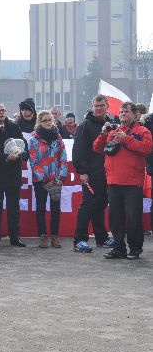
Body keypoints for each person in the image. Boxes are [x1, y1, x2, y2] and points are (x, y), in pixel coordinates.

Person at [92, 101, 152, 259]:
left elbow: (146, 149)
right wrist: (103, 134)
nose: (122, 114)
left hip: (132, 182)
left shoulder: (142, 130)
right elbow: (97, 148)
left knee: (133, 217)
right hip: (113, 182)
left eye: (126, 111)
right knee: (115, 218)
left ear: (134, 114)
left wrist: (126, 139)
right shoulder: (113, 131)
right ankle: (118, 248)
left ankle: (135, 249)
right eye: (120, 111)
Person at [72, 94, 115, 253]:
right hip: (91, 173)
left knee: (100, 206)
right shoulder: (85, 125)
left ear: (107, 107)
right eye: (95, 106)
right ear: (92, 107)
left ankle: (102, 237)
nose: (98, 108)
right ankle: (79, 240)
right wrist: (82, 171)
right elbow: (78, 150)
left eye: (101, 105)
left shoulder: (111, 125)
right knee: (88, 205)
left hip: (108, 173)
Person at [0, 103, 27, 247]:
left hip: (14, 174)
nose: (1, 113)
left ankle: (15, 236)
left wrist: (23, 153)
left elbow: (23, 143)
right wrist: (5, 158)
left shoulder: (14, 127)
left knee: (14, 207)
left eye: (3, 110)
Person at [28, 110, 68, 248]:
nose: (48, 122)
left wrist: (62, 176)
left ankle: (55, 236)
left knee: (56, 209)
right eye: (45, 120)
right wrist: (44, 179)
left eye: (50, 120)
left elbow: (63, 157)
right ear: (39, 122)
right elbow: (34, 161)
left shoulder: (58, 137)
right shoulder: (33, 140)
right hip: (41, 181)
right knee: (41, 208)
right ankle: (43, 236)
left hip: (56, 179)